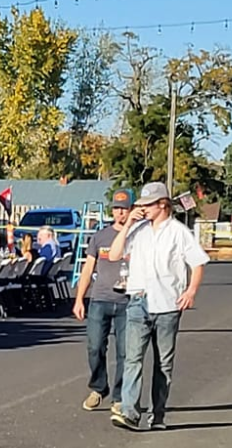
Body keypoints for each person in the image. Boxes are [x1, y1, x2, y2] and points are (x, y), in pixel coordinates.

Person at [107, 182, 208, 432]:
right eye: (141, 205)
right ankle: (130, 412)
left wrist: (191, 291)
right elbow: (114, 254)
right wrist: (128, 223)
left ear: (162, 204)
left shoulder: (178, 232)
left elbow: (197, 263)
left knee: (163, 364)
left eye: (147, 205)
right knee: (133, 359)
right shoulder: (138, 230)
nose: (143, 209)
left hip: (167, 305)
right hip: (138, 302)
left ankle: (158, 414)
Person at [73, 188, 134, 412]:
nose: (120, 213)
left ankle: (119, 396)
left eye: (124, 209)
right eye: (117, 209)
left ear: (132, 210)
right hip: (100, 299)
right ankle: (99, 388)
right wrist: (80, 299)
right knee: (95, 346)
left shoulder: (137, 235)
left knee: (125, 352)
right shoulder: (99, 237)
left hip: (127, 302)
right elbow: (88, 268)